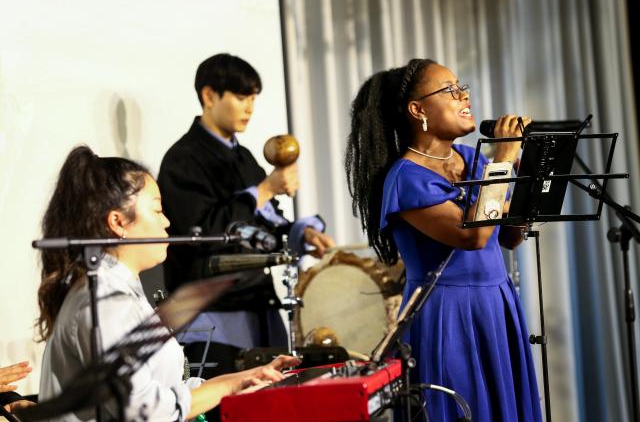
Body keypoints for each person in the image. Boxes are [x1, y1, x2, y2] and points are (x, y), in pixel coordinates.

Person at [36, 146, 300, 421]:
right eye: (157, 210)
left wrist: (245, 379)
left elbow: (170, 391)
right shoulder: (103, 298)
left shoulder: (122, 290)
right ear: (118, 222)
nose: (167, 222)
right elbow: (143, 411)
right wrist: (227, 386)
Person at [345, 59, 542, 422]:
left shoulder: (472, 160)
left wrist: (526, 169)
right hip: (448, 314)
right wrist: (502, 156)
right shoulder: (406, 178)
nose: (463, 94)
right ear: (418, 110)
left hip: (496, 305)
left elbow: (511, 237)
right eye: (449, 89)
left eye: (461, 86)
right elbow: (474, 236)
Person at [157, 53, 334, 381]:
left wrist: (302, 232)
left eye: (253, 98)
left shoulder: (244, 158)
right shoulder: (182, 160)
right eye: (241, 97)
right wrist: (265, 188)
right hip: (212, 317)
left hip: (259, 305)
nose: (250, 107)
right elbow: (205, 234)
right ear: (209, 96)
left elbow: (265, 224)